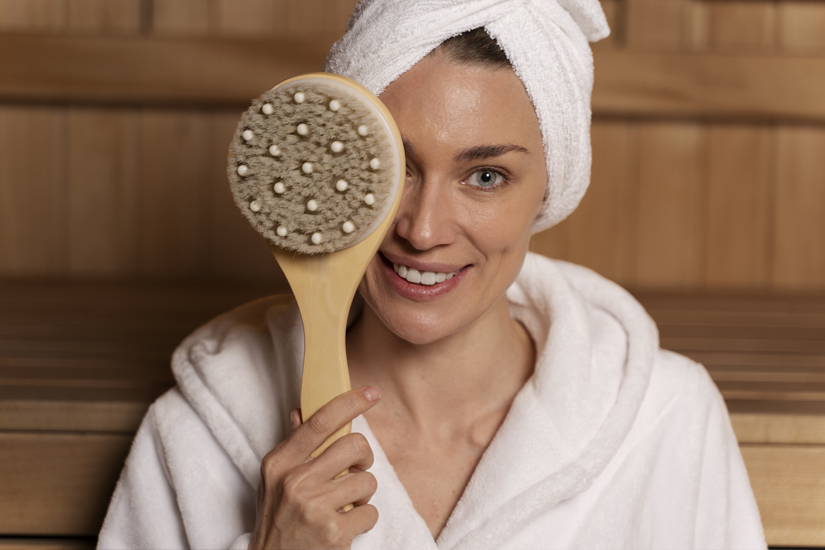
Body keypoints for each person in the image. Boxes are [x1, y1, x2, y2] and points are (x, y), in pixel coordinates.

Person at [97, 2, 766, 549]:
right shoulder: (195, 435)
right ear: (331, 170)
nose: (421, 229)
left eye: (485, 176)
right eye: (395, 164)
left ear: (548, 189)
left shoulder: (664, 418)